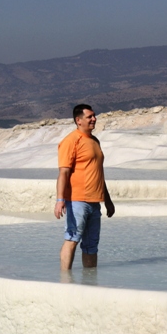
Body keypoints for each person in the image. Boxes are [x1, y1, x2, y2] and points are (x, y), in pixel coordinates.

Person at [54, 104, 115, 271]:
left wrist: (107, 200)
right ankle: (65, 279)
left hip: (95, 201)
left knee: (91, 245)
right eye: (90, 117)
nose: (94, 119)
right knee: (72, 238)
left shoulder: (94, 141)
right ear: (78, 120)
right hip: (77, 200)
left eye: (94, 116)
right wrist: (60, 200)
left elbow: (98, 172)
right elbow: (64, 173)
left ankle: (90, 282)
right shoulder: (71, 141)